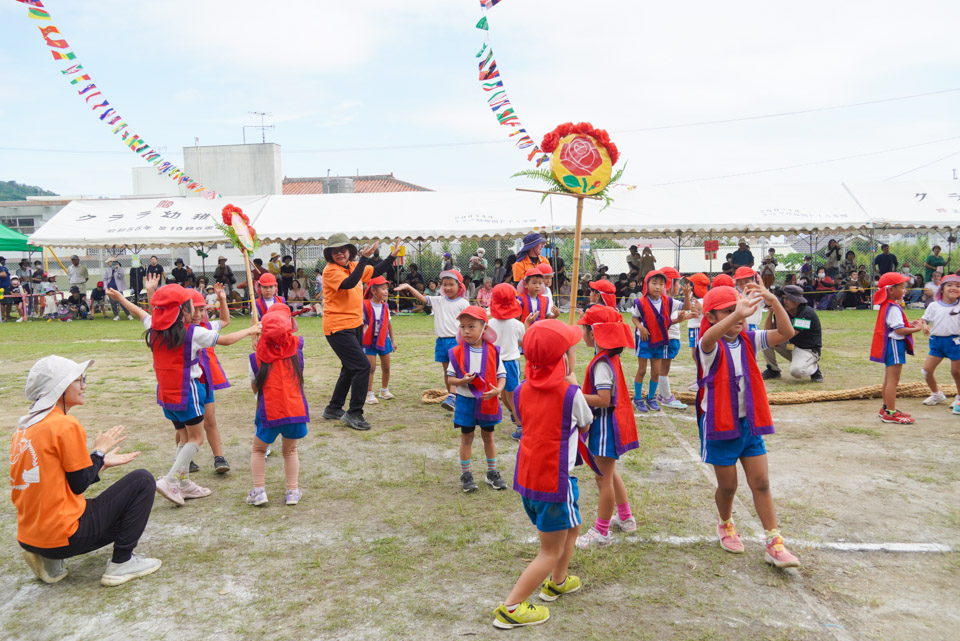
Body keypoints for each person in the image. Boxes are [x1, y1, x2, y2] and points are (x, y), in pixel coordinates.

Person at [11, 356, 161, 586]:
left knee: (78, 503)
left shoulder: (24, 427)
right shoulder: (64, 424)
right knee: (142, 480)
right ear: (59, 387)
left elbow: (59, 478)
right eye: (79, 380)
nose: (84, 385)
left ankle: (49, 560)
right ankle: (122, 562)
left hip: (30, 535)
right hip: (64, 535)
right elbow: (79, 483)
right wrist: (99, 453)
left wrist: (101, 462)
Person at [106, 281, 260, 504]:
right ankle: (170, 480)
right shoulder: (194, 332)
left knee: (185, 437)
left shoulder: (154, 327)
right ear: (182, 310)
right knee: (196, 439)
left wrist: (120, 299)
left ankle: (184, 483)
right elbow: (225, 340)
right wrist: (250, 330)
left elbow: (140, 312)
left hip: (166, 396)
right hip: (188, 392)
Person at [492, 319, 596, 629]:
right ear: (561, 359)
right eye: (570, 351)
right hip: (554, 482)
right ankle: (511, 607)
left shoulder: (522, 389)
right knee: (550, 550)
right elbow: (585, 423)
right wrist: (572, 386)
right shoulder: (571, 394)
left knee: (572, 526)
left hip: (529, 478)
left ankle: (558, 581)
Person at [696, 283, 800, 568]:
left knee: (762, 483)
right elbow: (708, 337)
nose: (739, 317)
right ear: (712, 316)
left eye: (741, 311)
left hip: (749, 424)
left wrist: (774, 302)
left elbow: (787, 333)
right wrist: (736, 313)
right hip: (719, 426)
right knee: (728, 486)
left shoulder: (750, 339)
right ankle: (726, 523)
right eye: (729, 311)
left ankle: (774, 542)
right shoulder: (709, 345)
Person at [575, 306, 639, 549]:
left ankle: (601, 532)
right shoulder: (609, 357)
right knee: (609, 474)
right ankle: (625, 518)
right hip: (610, 426)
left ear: (594, 334)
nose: (583, 333)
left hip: (605, 426)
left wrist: (575, 394)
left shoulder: (602, 363)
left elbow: (603, 399)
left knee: (603, 481)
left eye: (584, 328)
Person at [321, 234, 399, 431]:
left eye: (344, 249)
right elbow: (348, 283)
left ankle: (333, 408)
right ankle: (354, 413)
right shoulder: (330, 271)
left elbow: (375, 272)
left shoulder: (354, 266)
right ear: (330, 254)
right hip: (337, 327)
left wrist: (392, 257)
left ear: (350, 251)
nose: (340, 253)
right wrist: (363, 259)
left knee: (350, 367)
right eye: (335, 250)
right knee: (362, 366)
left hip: (355, 324)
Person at [246, 305, 308, 507]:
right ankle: (292, 491)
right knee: (290, 451)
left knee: (258, 450)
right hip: (295, 411)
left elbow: (255, 388)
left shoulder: (255, 359)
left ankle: (259, 491)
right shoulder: (298, 354)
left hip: (268, 412)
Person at [446, 306, 508, 493]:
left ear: (484, 328)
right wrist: (462, 381)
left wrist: (498, 389)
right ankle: (466, 474)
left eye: (471, 326)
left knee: (488, 436)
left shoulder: (494, 352)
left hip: (488, 401)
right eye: (462, 326)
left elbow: (502, 375)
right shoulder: (456, 352)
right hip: (466, 402)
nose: (466, 331)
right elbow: (450, 379)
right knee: (467, 437)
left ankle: (492, 472)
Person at [395, 269, 468, 412]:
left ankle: (454, 396)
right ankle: (452, 398)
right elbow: (423, 299)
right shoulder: (438, 301)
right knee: (447, 371)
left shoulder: (463, 304)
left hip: (456, 341)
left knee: (456, 371)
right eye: (444, 284)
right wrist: (409, 287)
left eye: (451, 284)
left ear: (459, 286)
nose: (447, 287)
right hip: (441, 342)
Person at [184, 286, 233, 474]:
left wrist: (222, 300)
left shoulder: (206, 327)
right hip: (187, 386)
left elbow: (225, 321)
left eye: (201, 309)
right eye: (193, 308)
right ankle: (185, 459)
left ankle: (219, 458)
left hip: (205, 383)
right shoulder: (180, 330)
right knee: (186, 430)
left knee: (210, 421)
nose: (198, 313)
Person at [869, 272, 923, 424]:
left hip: (890, 344)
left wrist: (909, 325)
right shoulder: (893, 307)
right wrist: (916, 329)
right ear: (891, 290)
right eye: (903, 287)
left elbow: (897, 325)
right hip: (894, 344)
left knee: (888, 378)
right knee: (893, 380)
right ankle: (891, 413)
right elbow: (899, 330)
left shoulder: (888, 305)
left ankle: (886, 408)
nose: (905, 290)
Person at [631, 270, 686, 413]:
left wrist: (686, 294)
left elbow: (685, 308)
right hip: (644, 339)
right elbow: (635, 317)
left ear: (665, 286)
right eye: (654, 283)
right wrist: (640, 327)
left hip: (660, 339)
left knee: (656, 372)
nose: (657, 287)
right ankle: (637, 398)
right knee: (642, 370)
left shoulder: (668, 302)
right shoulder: (640, 302)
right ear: (647, 285)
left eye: (661, 284)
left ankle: (651, 398)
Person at [489, 283, 533, 441]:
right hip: (511, 363)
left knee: (502, 392)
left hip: (494, 363)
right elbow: (524, 342)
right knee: (514, 395)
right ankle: (522, 426)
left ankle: (516, 417)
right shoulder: (517, 325)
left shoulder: (489, 324)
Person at [915, 274, 960, 413]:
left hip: (955, 342)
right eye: (949, 285)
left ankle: (959, 397)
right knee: (926, 371)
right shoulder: (934, 306)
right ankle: (937, 394)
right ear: (941, 289)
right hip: (936, 343)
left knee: (956, 371)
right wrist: (923, 325)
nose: (954, 288)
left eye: (958, 286)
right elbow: (923, 320)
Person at [761, 285, 823, 382]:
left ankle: (814, 369)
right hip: (792, 346)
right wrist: (771, 312)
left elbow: (789, 334)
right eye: (783, 298)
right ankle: (773, 370)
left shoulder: (806, 313)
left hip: (807, 350)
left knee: (797, 372)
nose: (785, 301)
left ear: (797, 301)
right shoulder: (783, 311)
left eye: (788, 299)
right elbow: (767, 332)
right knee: (764, 339)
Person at [657, 268, 693, 409]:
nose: (679, 286)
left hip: (672, 338)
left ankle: (662, 393)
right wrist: (679, 320)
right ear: (670, 283)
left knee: (664, 368)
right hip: (667, 339)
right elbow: (664, 322)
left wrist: (686, 315)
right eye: (678, 282)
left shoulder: (668, 300)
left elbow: (685, 309)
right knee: (664, 369)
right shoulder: (663, 301)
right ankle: (666, 397)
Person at [362, 276, 396, 405]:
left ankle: (384, 390)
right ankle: (369, 393)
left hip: (384, 339)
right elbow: (360, 325)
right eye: (383, 289)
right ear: (373, 291)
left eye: (387, 289)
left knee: (386, 367)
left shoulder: (385, 306)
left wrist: (392, 341)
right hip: (369, 341)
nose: (386, 292)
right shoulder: (364, 305)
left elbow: (388, 324)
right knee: (370, 368)